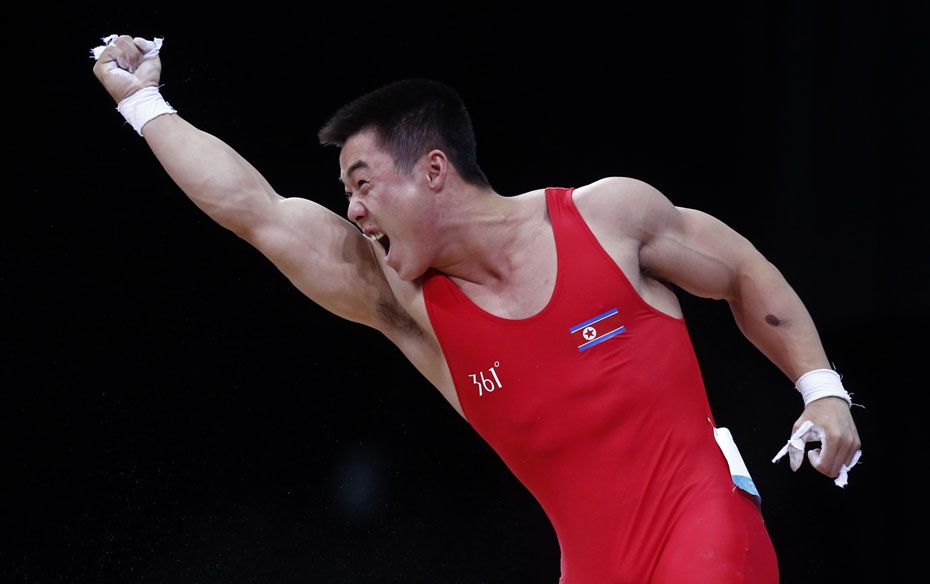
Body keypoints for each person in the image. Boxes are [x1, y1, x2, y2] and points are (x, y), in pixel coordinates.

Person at [92, 35, 861, 583]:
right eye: (345, 193)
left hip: (707, 529)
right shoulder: (409, 308)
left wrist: (821, 391)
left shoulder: (608, 218)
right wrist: (145, 102)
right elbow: (254, 210)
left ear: (433, 170)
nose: (353, 210)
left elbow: (742, 270)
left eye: (362, 182)